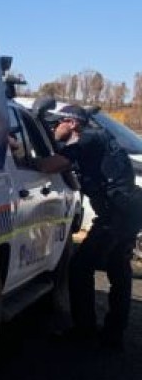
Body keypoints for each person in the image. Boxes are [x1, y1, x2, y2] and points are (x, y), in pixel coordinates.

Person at [36, 104, 142, 352]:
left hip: (117, 213)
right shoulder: (92, 143)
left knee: (80, 266)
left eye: (56, 123)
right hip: (127, 210)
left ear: (72, 123)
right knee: (119, 270)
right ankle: (113, 335)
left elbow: (47, 166)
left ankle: (85, 330)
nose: (53, 128)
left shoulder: (88, 139)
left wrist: (22, 153)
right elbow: (74, 180)